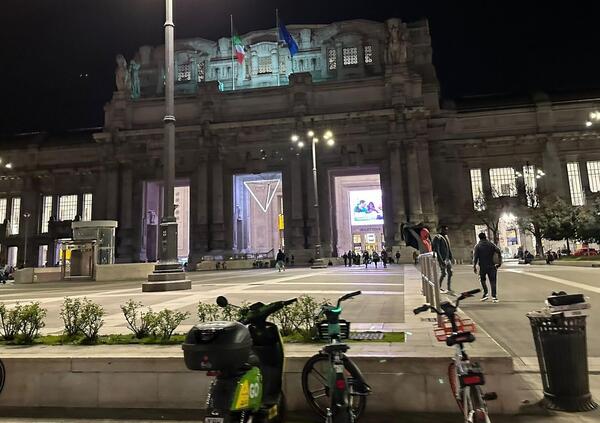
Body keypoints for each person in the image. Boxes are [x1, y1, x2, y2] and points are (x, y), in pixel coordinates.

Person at [473, 232, 502, 303]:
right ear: (485, 236)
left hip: (482, 266)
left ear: (479, 238)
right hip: (492, 266)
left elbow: (475, 257)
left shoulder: (478, 246)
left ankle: (485, 293)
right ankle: (494, 297)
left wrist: (474, 266)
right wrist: (499, 262)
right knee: (493, 281)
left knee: (482, 280)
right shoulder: (491, 244)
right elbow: (498, 251)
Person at [432, 225, 454, 293]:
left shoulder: (446, 237)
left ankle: (448, 288)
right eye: (445, 230)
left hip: (447, 258)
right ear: (441, 230)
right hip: (443, 258)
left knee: (450, 273)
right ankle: (438, 287)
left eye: (446, 230)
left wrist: (451, 257)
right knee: (443, 273)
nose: (446, 231)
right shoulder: (437, 237)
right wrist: (441, 260)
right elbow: (437, 250)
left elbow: (448, 248)